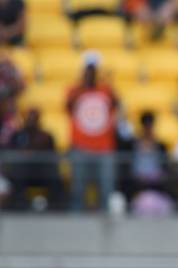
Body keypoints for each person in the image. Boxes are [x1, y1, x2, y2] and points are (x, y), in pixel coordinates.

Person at [66, 51, 119, 211]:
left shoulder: (106, 90)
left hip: (104, 148)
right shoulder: (74, 90)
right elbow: (68, 106)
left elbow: (117, 105)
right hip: (80, 146)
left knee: (106, 189)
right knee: (78, 189)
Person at [7, 108, 65, 210]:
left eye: (34, 117)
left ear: (39, 119)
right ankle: (19, 207)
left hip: (42, 171)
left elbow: (53, 156)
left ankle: (55, 208)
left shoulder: (46, 136)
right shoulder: (17, 135)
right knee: (15, 177)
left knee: (56, 179)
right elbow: (11, 153)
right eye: (29, 116)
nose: (31, 120)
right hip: (23, 171)